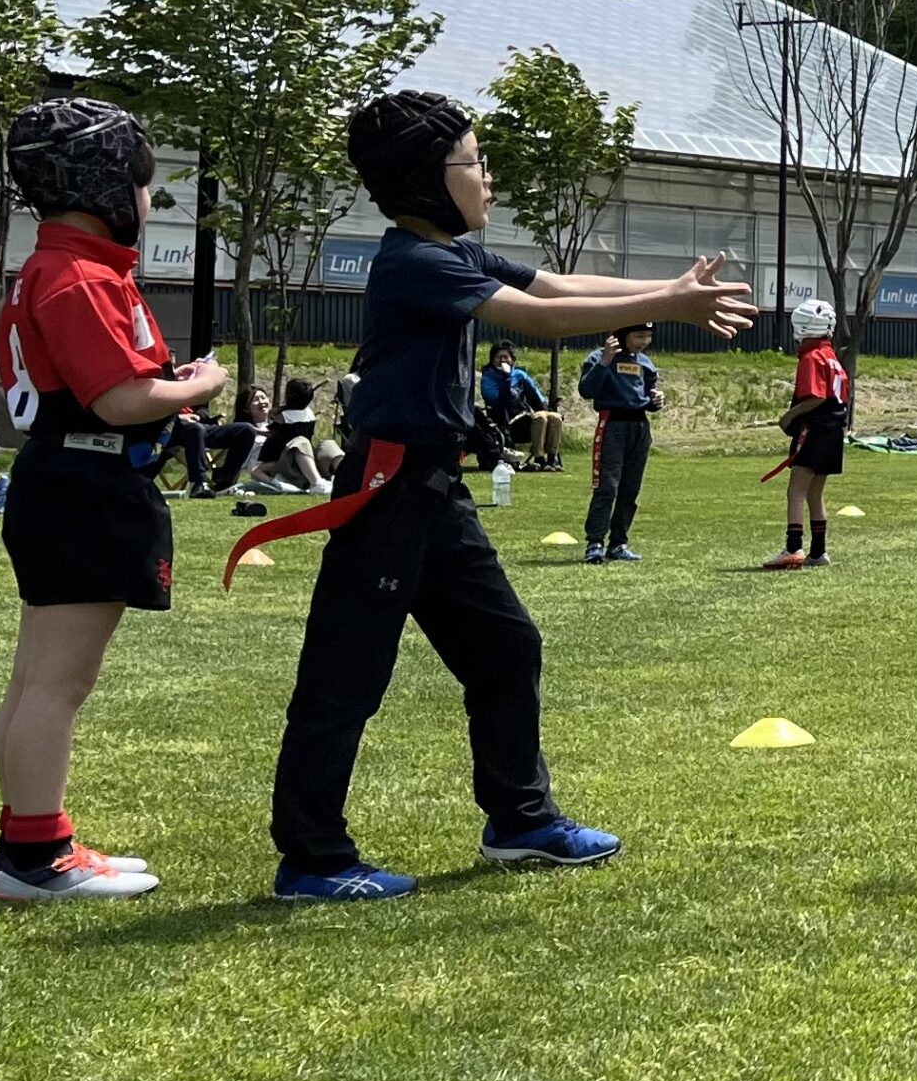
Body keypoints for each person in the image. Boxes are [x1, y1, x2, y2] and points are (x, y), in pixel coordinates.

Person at [256, 90, 751, 901]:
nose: (488, 178)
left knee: (506, 649)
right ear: (426, 178)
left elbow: (555, 286)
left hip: (435, 491)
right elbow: (539, 321)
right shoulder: (416, 264)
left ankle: (520, 822)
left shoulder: (451, 254)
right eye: (475, 162)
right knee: (344, 679)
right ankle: (312, 859)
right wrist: (670, 304)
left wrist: (670, 285)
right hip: (389, 493)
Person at [0, 98, 228, 899]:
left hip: (63, 482)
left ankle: (30, 840)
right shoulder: (78, 276)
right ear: (102, 184)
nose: (147, 199)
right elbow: (121, 400)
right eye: (141, 182)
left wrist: (164, 386)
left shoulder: (57, 267)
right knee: (56, 684)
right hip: (84, 488)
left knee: (36, 679)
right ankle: (38, 857)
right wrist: (200, 384)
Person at [763, 300, 850, 570]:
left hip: (815, 429)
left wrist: (789, 416)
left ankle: (793, 548)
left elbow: (816, 396)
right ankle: (819, 551)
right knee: (815, 492)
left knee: (796, 491)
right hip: (834, 431)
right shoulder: (832, 357)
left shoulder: (812, 357)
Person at [578, 324, 661, 565]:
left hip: (639, 427)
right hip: (612, 424)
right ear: (623, 335)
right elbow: (586, 390)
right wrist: (605, 361)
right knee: (607, 487)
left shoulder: (645, 363)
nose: (644, 342)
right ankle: (595, 543)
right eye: (639, 336)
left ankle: (618, 543)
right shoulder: (599, 357)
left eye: (648, 337)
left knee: (630, 489)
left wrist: (656, 400)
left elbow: (647, 396)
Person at [247, 379, 341, 495]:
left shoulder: (282, 418)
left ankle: (345, 477)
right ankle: (316, 483)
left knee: (326, 444)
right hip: (290, 465)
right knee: (302, 442)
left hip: (302, 462)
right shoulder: (308, 414)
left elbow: (271, 445)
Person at [480, 342, 563, 469]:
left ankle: (552, 459)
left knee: (554, 417)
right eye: (498, 357)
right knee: (540, 417)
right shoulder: (488, 378)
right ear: (492, 360)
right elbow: (499, 402)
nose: (502, 360)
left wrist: (547, 411)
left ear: (512, 360)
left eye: (506, 357)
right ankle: (539, 458)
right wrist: (506, 378)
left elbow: (536, 397)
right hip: (504, 423)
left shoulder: (519, 375)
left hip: (525, 418)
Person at [158, 401, 259, 500]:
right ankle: (198, 484)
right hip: (171, 429)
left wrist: (198, 416)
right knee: (196, 430)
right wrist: (178, 418)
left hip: (199, 427)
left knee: (246, 430)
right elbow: (152, 410)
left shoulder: (193, 390)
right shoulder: (161, 389)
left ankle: (224, 483)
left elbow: (203, 409)